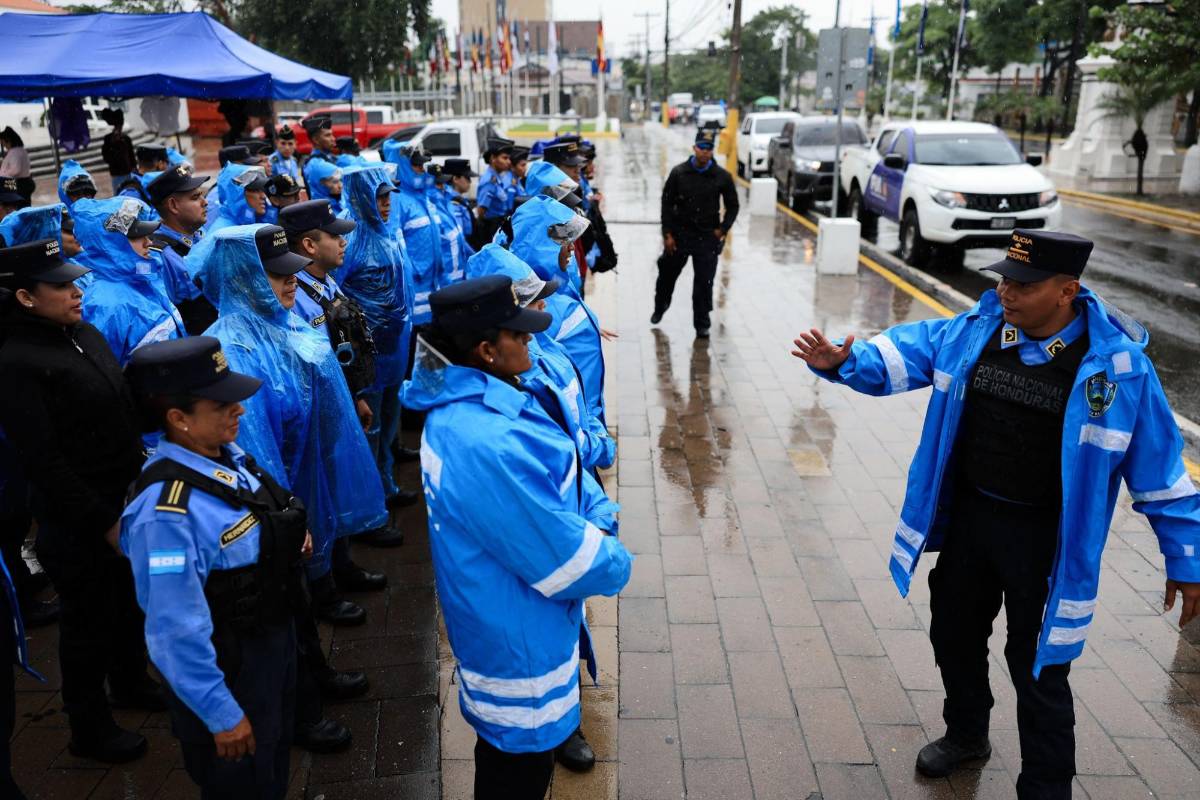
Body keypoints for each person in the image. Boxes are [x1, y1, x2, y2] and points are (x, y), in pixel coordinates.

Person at [791, 229, 1200, 800]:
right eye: (1005, 277)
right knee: (953, 633)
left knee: (1037, 667)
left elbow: (1161, 474)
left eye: (1025, 284)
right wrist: (844, 360)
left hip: (1046, 543)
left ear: (1067, 291)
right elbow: (905, 350)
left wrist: (1187, 560)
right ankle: (966, 733)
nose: (1007, 291)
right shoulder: (975, 334)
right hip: (973, 523)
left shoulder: (1119, 370)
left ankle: (1046, 785)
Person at [400, 275, 632, 798]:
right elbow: (564, 556)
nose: (530, 342)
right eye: (519, 336)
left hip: (507, 619)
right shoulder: (487, 440)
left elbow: (562, 476)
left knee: (505, 761)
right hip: (519, 645)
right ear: (486, 350)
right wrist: (612, 551)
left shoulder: (481, 404)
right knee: (517, 777)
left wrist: (593, 509)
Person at [0, 238, 163, 763]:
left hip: (123, 497)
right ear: (25, 297)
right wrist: (102, 520)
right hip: (79, 518)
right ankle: (89, 727)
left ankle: (131, 682)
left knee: (127, 602)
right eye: (62, 285)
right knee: (88, 621)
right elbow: (42, 460)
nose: (76, 291)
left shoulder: (80, 332)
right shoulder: (17, 360)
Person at [122, 336, 306, 799]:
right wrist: (221, 714)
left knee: (272, 762)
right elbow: (173, 629)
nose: (239, 411)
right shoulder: (165, 516)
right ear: (178, 419)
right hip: (229, 669)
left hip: (268, 645)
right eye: (221, 404)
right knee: (241, 783)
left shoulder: (226, 461)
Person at [338, 166, 418, 515]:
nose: (386, 204)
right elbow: (335, 296)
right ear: (361, 197)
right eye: (380, 197)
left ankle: (386, 483)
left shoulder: (387, 233)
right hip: (366, 351)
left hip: (395, 346)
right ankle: (370, 506)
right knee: (368, 429)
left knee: (388, 420)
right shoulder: (350, 239)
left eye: (388, 197)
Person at [73, 196, 185, 365]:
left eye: (147, 235)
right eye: (136, 237)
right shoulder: (105, 305)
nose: (148, 242)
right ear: (111, 244)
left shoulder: (147, 278)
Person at [653, 127, 738, 338]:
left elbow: (733, 205)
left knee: (704, 283)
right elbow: (666, 204)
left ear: (712, 151)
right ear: (694, 148)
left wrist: (723, 229)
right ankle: (660, 305)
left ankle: (702, 323)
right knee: (666, 275)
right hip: (679, 236)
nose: (705, 152)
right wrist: (667, 234)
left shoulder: (721, 176)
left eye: (709, 148)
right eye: (701, 147)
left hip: (707, 238)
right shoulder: (679, 173)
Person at [146, 164, 217, 335]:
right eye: (195, 197)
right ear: (173, 206)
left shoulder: (199, 232)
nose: (205, 202)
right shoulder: (159, 255)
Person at [384, 145, 442, 328]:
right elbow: (394, 248)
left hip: (432, 285)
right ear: (402, 166)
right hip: (415, 289)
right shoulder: (396, 200)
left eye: (422, 165)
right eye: (416, 165)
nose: (421, 170)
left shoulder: (423, 196)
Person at [472, 137, 516, 249]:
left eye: (508, 158)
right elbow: (481, 211)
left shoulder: (496, 178)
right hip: (491, 228)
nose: (509, 162)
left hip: (498, 224)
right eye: (504, 158)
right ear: (493, 158)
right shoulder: (489, 181)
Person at [206, 164, 269, 234]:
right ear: (238, 194)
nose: (263, 196)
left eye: (263, 190)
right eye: (256, 190)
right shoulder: (224, 233)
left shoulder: (244, 223)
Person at [100, 108, 137, 195]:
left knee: (129, 194)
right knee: (119, 195)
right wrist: (113, 145)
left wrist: (134, 168)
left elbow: (131, 156)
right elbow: (107, 157)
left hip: (127, 172)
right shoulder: (108, 139)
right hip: (117, 173)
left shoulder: (126, 139)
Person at [443, 158, 477, 244]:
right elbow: (459, 237)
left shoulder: (459, 199)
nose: (470, 181)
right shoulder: (453, 203)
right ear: (455, 179)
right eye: (467, 178)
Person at [301, 115, 337, 191]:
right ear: (316, 140)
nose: (333, 139)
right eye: (328, 135)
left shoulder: (329, 157)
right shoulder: (316, 164)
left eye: (332, 134)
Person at [0, 128, 34, 208]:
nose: (3, 145)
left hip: (19, 184)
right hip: (24, 182)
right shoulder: (21, 150)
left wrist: (3, 174)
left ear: (8, 140)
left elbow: (16, 170)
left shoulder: (15, 152)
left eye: (3, 143)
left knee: (19, 208)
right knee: (24, 207)